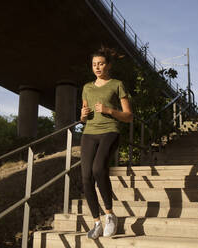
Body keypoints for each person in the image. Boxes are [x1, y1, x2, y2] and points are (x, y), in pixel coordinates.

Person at [80, 47, 133, 239]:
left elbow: (128, 116)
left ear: (108, 65)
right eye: (94, 64)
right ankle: (96, 222)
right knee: (86, 177)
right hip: (89, 133)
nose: (97, 67)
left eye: (101, 64)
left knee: (98, 169)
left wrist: (109, 110)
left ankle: (110, 216)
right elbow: (83, 118)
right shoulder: (87, 87)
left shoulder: (117, 84)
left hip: (110, 131)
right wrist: (82, 116)